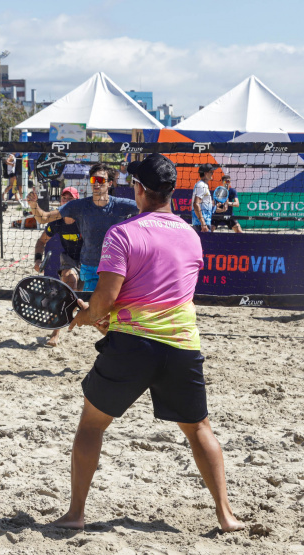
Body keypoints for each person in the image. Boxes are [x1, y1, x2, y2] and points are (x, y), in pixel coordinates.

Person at [53, 153, 244, 533]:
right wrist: (108, 318)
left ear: (138, 189)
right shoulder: (191, 236)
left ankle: (75, 514)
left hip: (133, 346)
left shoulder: (122, 233)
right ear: (171, 191)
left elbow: (106, 302)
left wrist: (85, 316)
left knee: (91, 426)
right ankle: (226, 515)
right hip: (181, 345)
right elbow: (164, 295)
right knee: (199, 429)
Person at [27, 163, 138, 292]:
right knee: (88, 305)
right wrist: (33, 205)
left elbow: (149, 210)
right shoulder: (79, 206)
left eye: (100, 180)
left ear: (110, 183)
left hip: (113, 267)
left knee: (109, 309)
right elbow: (43, 218)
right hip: (89, 266)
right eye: (93, 180)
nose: (96, 183)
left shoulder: (122, 205)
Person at [32, 186, 82, 347]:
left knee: (83, 301)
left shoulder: (84, 219)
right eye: (64, 198)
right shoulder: (57, 222)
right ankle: (56, 333)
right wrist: (38, 260)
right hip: (69, 260)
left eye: (70, 199)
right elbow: (41, 241)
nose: (66, 202)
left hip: (90, 260)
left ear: (77, 202)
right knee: (67, 285)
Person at [191, 163, 215, 233]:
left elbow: (200, 203)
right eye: (211, 172)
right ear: (205, 173)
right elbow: (196, 204)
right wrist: (203, 223)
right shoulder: (201, 185)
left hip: (202, 223)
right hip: (201, 224)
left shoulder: (202, 184)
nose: (212, 174)